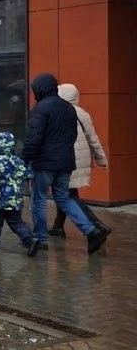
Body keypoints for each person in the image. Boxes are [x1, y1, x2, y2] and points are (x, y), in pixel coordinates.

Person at [22, 73, 108, 254]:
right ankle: (91, 231)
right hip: (66, 162)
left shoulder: (40, 109)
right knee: (64, 198)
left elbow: (33, 139)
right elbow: (73, 136)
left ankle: (40, 239)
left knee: (38, 199)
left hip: (44, 163)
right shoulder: (69, 109)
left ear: (40, 90)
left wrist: (25, 159)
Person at [50, 83, 110, 238]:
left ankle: (97, 225)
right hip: (80, 161)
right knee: (66, 192)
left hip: (65, 159)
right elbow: (93, 138)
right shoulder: (83, 114)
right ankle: (58, 226)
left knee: (67, 195)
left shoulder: (58, 112)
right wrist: (101, 160)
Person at [0, 132, 40, 256]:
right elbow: (27, 174)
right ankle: (30, 240)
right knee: (16, 222)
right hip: (15, 200)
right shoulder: (17, 161)